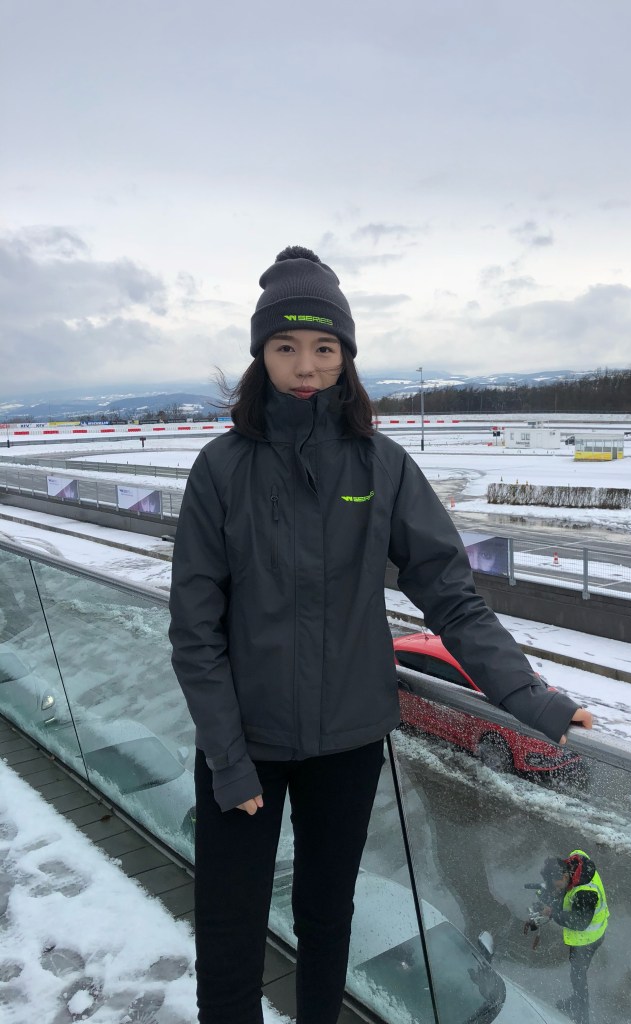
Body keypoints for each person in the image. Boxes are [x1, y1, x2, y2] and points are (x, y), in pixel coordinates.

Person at [168, 245, 594, 1024]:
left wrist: (529, 695)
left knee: (327, 919)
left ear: (346, 357)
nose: (306, 366)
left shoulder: (381, 466)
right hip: (244, 744)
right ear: (261, 356)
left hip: (349, 742)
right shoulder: (221, 469)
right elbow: (195, 631)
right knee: (229, 930)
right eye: (286, 347)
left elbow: (450, 595)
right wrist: (227, 759)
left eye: (324, 348)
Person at [540, 849, 609, 1024]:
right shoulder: (575, 862)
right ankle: (576, 1001)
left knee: (578, 976)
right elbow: (565, 891)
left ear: (564, 876)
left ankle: (582, 1015)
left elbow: (579, 922)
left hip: (589, 939)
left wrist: (553, 912)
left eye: (557, 885)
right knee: (577, 973)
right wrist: (551, 892)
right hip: (585, 936)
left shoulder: (585, 892)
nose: (557, 889)